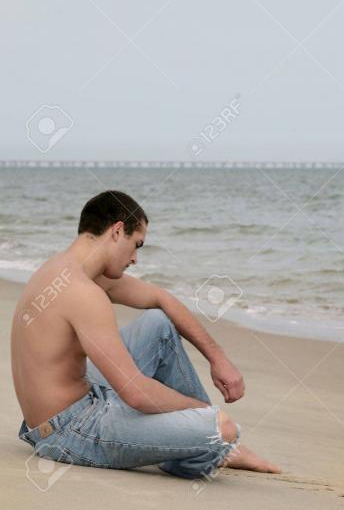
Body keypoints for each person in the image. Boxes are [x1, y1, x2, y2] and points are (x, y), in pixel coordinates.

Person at [11, 190, 281, 479]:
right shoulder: (84, 293)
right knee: (222, 428)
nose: (135, 259)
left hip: (69, 406)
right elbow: (136, 393)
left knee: (158, 322)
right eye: (136, 245)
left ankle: (204, 445)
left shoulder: (61, 271)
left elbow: (161, 299)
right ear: (117, 231)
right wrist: (201, 411)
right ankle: (209, 449)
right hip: (69, 431)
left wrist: (218, 358)